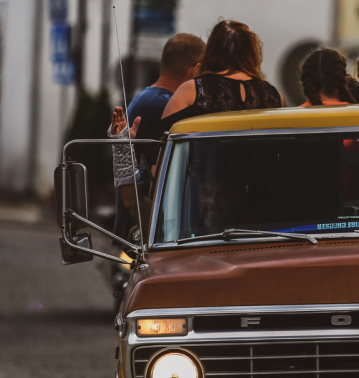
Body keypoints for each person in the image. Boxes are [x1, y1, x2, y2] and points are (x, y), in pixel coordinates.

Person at [109, 33, 206, 242]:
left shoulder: (148, 97)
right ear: (196, 69)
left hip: (135, 224)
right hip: (143, 227)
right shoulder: (166, 106)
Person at [160, 20, 285, 128]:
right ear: (252, 55)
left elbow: (162, 141)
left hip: (206, 157)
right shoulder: (274, 95)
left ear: (210, 52)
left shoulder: (193, 90)